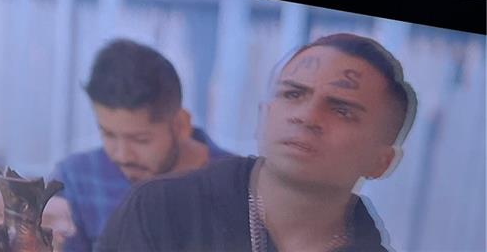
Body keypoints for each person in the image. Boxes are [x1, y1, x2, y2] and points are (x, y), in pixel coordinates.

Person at [97, 33, 417, 252]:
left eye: (341, 110)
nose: (306, 116)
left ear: (382, 162)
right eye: (293, 94)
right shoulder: (162, 210)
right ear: (265, 114)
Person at [51, 39, 230, 252]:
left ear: (181, 125)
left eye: (140, 140)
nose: (122, 155)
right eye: (108, 134)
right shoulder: (78, 178)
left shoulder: (236, 184)